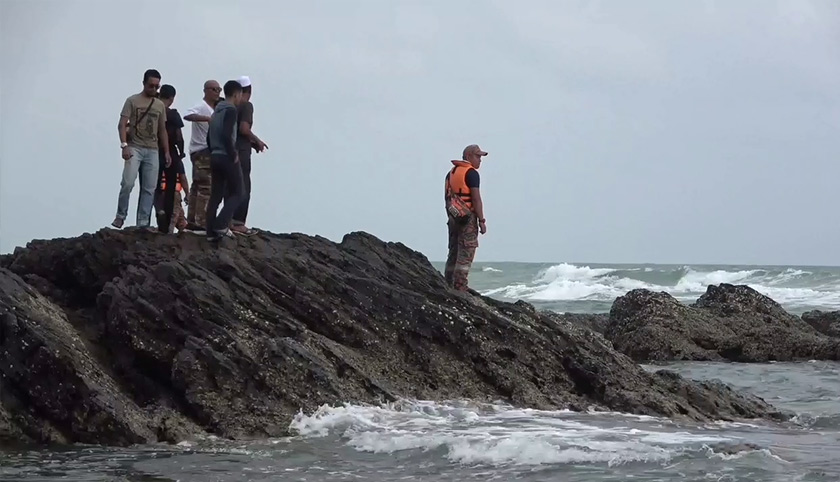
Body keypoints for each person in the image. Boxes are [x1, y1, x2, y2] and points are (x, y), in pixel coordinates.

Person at [113, 69, 170, 229]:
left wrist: (166, 151)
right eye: (151, 85)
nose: (154, 89)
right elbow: (122, 124)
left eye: (157, 87)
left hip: (152, 149)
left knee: (149, 188)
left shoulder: (159, 105)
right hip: (134, 147)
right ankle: (120, 215)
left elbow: (162, 130)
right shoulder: (132, 101)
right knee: (128, 183)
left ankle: (143, 222)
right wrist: (124, 145)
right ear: (144, 83)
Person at [443, 144, 488, 292]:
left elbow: (447, 197)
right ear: (468, 156)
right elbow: (476, 199)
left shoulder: (451, 173)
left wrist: (451, 216)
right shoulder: (472, 173)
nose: (480, 160)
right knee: (466, 251)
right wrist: (481, 220)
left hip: (453, 217)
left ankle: (448, 283)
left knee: (454, 251)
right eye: (477, 156)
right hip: (468, 219)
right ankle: (460, 286)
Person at [205, 80, 246, 241]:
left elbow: (209, 136)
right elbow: (227, 134)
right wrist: (233, 152)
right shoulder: (230, 110)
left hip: (214, 155)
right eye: (240, 95)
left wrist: (212, 151)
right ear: (236, 94)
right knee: (238, 192)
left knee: (215, 195)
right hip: (226, 156)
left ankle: (210, 232)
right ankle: (221, 224)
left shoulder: (216, 111)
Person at [182, 80, 222, 233]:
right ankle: (201, 221)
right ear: (206, 90)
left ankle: (192, 220)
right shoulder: (202, 106)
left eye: (219, 89)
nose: (217, 92)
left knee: (197, 186)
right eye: (214, 89)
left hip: (203, 150)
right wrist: (206, 119)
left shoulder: (214, 109)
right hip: (202, 150)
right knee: (206, 186)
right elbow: (187, 115)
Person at [230, 75, 268, 235]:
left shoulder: (229, 106)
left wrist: (252, 142)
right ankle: (238, 223)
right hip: (241, 152)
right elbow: (244, 129)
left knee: (230, 186)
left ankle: (228, 219)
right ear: (249, 90)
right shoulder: (246, 106)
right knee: (244, 186)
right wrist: (257, 141)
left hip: (228, 150)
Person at [153, 84, 187, 233]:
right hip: (171, 152)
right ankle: (167, 220)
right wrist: (181, 153)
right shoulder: (173, 114)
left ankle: (159, 210)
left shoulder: (154, 111)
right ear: (172, 98)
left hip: (154, 150)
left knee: (155, 186)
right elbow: (179, 136)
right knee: (171, 186)